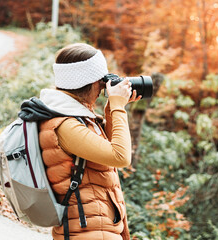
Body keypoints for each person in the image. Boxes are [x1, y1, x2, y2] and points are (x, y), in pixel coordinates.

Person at [37, 43, 140, 240]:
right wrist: (119, 106)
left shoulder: (75, 118)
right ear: (91, 82)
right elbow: (120, 156)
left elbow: (104, 158)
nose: (104, 86)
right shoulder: (65, 125)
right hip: (88, 232)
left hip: (96, 229)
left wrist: (111, 108)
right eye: (102, 80)